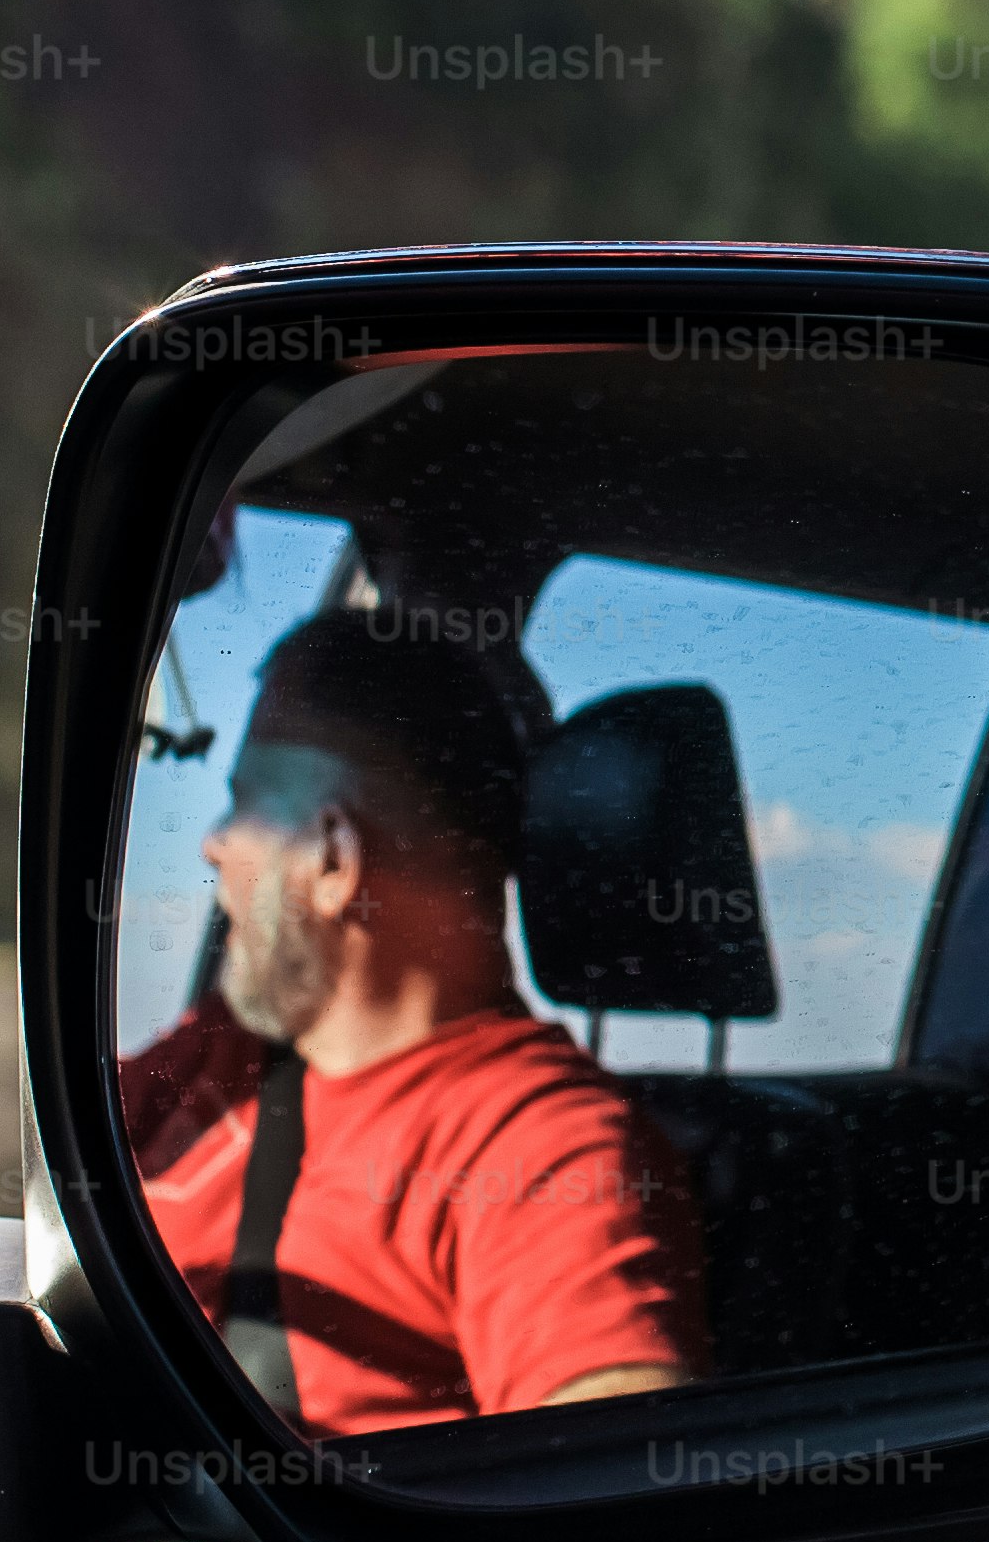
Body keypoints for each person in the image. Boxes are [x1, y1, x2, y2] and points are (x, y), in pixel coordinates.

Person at [117, 603, 705, 1432]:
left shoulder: (535, 1147)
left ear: (331, 859)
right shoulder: (227, 1048)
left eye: (243, 805)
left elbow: (613, 1462)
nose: (213, 844)